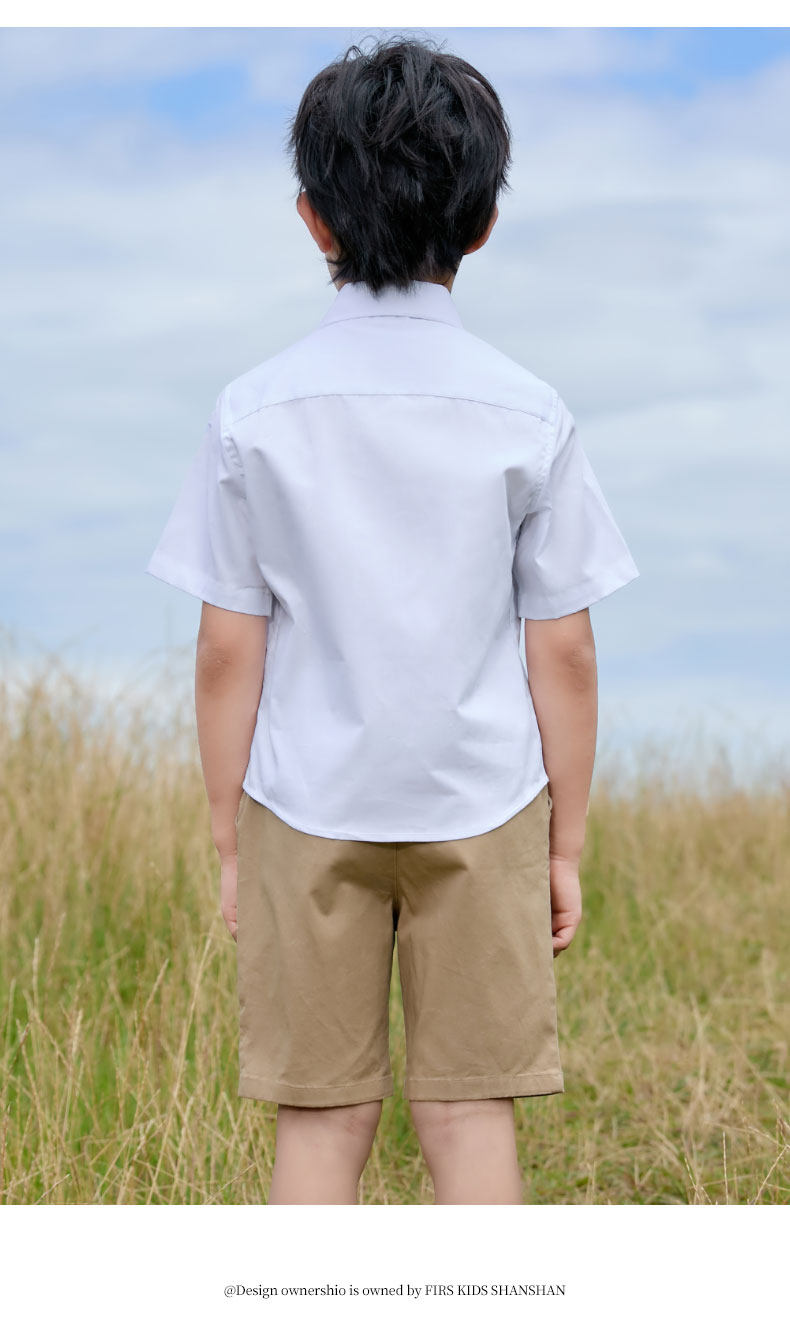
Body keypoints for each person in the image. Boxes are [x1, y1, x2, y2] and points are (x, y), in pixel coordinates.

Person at [145, 34, 639, 1205]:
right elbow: (563, 649)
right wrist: (563, 843)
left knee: (320, 1122)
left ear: (312, 218)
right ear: (483, 223)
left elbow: (227, 648)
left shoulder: (253, 411)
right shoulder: (529, 411)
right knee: (470, 1113)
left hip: (303, 801)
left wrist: (229, 835)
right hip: (484, 802)